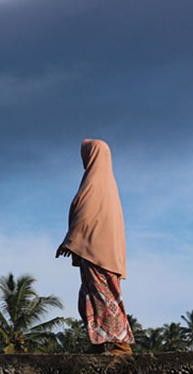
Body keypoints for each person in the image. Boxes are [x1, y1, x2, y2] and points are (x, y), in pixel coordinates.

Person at [56, 139, 134, 354]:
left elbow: (85, 214)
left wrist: (69, 240)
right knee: (89, 297)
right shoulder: (107, 182)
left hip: (97, 252)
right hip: (100, 251)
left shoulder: (95, 182)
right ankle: (100, 342)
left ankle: (121, 343)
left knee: (103, 296)